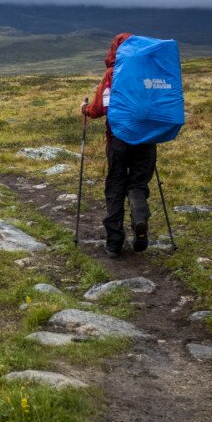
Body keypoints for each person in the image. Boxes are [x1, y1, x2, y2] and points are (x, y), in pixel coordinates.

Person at [81, 33, 155, 257]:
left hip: (118, 140)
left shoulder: (113, 74)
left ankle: (114, 243)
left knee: (115, 187)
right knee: (138, 184)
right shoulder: (150, 71)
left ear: (114, 51)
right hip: (146, 138)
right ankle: (140, 219)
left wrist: (84, 108)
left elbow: (98, 109)